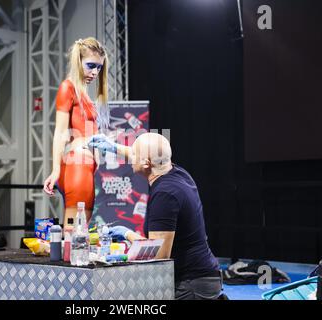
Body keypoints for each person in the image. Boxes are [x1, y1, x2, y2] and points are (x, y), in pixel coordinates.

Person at [88, 132, 222, 300]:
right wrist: (113, 147)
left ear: (146, 163)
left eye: (135, 154)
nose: (131, 156)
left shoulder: (165, 195)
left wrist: (126, 233)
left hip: (191, 286)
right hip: (201, 277)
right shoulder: (177, 172)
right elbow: (143, 155)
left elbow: (159, 256)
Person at [43, 37, 109, 224]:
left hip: (86, 167)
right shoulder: (68, 87)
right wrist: (55, 170)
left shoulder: (84, 93)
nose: (95, 72)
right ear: (77, 61)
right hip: (77, 165)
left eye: (99, 68)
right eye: (90, 65)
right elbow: (61, 132)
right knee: (76, 232)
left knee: (81, 231)